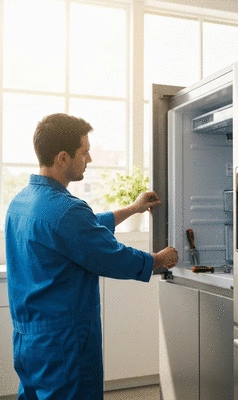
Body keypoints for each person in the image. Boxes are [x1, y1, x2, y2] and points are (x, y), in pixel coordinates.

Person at [5, 113, 178, 400]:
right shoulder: (65, 210)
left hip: (29, 339)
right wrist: (159, 259)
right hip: (64, 342)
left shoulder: (21, 202)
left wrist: (132, 209)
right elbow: (110, 255)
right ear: (63, 157)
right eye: (84, 152)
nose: (90, 159)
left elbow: (82, 230)